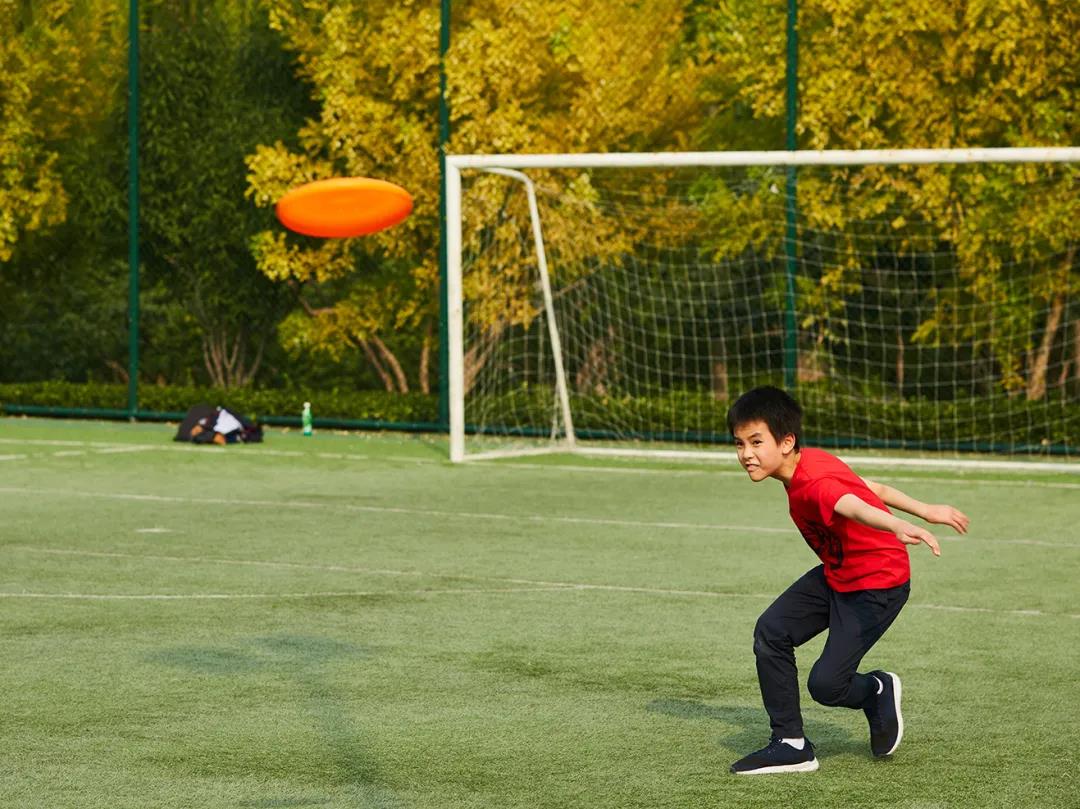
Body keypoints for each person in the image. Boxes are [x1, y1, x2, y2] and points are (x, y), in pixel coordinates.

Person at [725, 386, 969, 775]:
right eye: (739, 443)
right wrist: (926, 509)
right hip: (839, 574)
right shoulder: (810, 463)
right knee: (772, 630)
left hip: (877, 584)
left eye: (756, 442)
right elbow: (870, 489)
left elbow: (851, 504)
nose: (746, 454)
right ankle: (791, 744)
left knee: (827, 686)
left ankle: (876, 690)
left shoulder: (813, 483)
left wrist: (898, 524)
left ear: (786, 442)